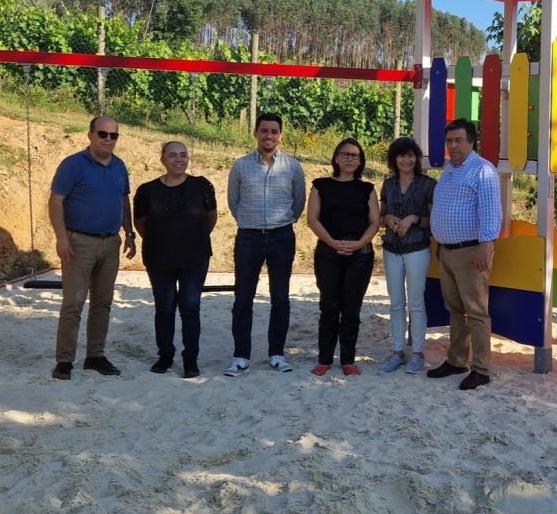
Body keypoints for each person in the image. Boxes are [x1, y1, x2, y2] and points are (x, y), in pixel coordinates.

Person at [48, 115, 137, 380]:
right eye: (103, 134)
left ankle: (95, 356)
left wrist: (129, 233)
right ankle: (65, 361)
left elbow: (123, 201)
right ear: (90, 135)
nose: (108, 139)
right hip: (79, 243)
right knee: (73, 302)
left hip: (110, 242)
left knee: (103, 303)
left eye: (113, 135)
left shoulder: (119, 166)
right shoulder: (73, 165)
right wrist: (61, 238)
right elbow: (55, 202)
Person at [225, 113, 306, 377]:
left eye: (273, 131)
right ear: (256, 133)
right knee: (243, 299)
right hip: (248, 237)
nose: (268, 136)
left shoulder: (293, 167)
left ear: (280, 135)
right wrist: (251, 221)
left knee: (280, 298)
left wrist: (280, 222)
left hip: (282, 236)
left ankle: (277, 354)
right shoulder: (240, 166)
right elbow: (233, 201)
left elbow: (298, 203)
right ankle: (241, 356)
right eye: (264, 131)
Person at [428, 118, 502, 390]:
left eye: (459, 140)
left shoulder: (483, 170)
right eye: (449, 141)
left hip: (471, 251)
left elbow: (491, 211)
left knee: (477, 312)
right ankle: (457, 360)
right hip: (447, 251)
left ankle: (481, 369)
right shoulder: (449, 169)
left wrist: (486, 245)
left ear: (471, 142)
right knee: (455, 310)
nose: (453, 145)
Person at [133, 141, 217, 379]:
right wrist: (162, 240)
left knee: (190, 307)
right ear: (162, 159)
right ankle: (165, 356)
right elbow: (140, 223)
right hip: (159, 258)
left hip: (195, 256)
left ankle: (190, 360)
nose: (178, 159)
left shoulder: (202, 186)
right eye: (172, 155)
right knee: (165, 307)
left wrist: (191, 238)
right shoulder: (146, 190)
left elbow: (210, 218)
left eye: (183, 155)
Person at [306, 138, 380, 376]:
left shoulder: (367, 189)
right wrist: (332, 242)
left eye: (355, 156)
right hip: (328, 252)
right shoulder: (320, 185)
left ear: (360, 161)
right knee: (329, 306)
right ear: (336, 157)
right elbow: (312, 219)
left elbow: (374, 222)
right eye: (346, 154)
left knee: (351, 309)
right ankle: (324, 359)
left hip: (360, 255)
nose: (350, 159)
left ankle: (347, 359)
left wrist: (358, 244)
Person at [378, 137, 436, 374]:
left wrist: (413, 219)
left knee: (416, 303)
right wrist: (387, 219)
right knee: (396, 303)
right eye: (402, 155)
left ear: (417, 158)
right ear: (394, 159)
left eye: (411, 155)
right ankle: (398, 351)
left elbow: (433, 221)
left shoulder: (428, 184)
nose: (407, 159)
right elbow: (380, 217)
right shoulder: (388, 184)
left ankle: (418, 353)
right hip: (391, 249)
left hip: (417, 248)